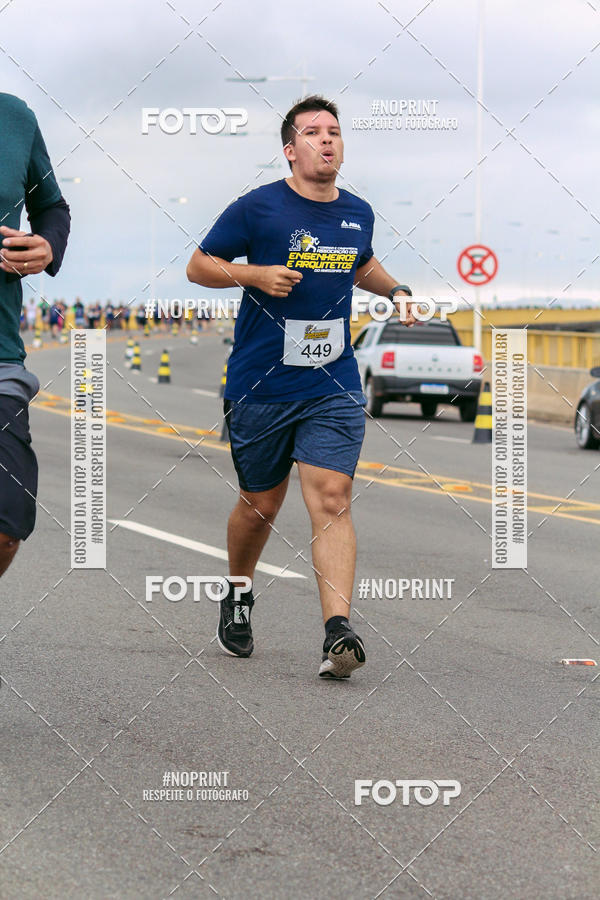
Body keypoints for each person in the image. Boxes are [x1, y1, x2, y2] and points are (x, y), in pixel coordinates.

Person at [186, 95, 415, 679]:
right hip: (262, 383)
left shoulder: (358, 210)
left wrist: (395, 291)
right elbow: (199, 266)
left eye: (334, 131)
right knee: (260, 504)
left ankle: (337, 632)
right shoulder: (257, 209)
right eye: (313, 132)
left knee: (332, 497)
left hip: (332, 380)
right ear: (291, 150)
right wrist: (253, 273)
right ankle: (239, 590)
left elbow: (359, 264)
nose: (327, 140)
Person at [0, 92, 70, 579]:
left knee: (7, 523)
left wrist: (45, 244)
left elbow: (51, 206)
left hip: (1, 354)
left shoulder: (15, 117)